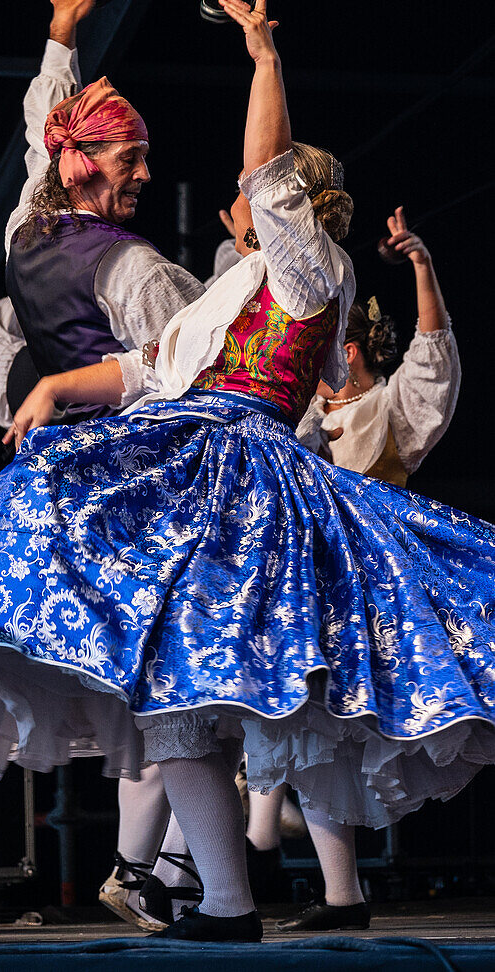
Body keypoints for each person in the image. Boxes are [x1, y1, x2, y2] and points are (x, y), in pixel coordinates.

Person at [0, 0, 495, 945]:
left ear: (299, 200)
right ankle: (220, 900)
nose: (240, 202)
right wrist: (55, 389)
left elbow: (262, 176)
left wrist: (263, 59)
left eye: (270, 193)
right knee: (163, 681)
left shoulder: (308, 267)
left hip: (239, 473)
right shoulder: (238, 281)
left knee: (145, 621)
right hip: (201, 449)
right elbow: (145, 365)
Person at [0, 0, 206, 929]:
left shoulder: (29, 230)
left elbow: (44, 136)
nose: (145, 173)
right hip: (146, 489)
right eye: (130, 159)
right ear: (89, 165)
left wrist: (63, 38)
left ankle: (170, 872)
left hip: (84, 492)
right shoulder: (135, 266)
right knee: (187, 685)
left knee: (177, 689)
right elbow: (187, 371)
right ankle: (152, 870)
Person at [260, 213, 460, 932]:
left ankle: (249, 852)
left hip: (376, 592)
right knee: (304, 732)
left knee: (338, 728)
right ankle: (339, 895)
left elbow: (433, 356)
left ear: (342, 348)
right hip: (310, 591)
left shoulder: (390, 411)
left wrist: (419, 266)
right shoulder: (291, 419)